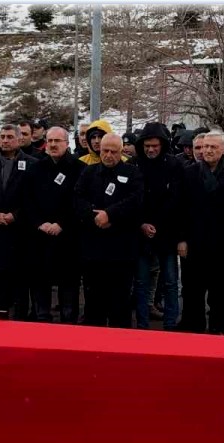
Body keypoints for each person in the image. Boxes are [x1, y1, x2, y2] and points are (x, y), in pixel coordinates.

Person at [179, 131, 224, 335]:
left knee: (221, 289)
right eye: (205, 146)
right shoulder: (189, 173)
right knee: (192, 289)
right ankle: (194, 325)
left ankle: (218, 325)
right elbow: (180, 208)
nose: (207, 150)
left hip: (223, 242)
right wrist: (181, 239)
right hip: (194, 241)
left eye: (213, 147)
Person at [74, 133, 143, 328]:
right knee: (93, 300)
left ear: (121, 152)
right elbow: (78, 198)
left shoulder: (132, 173)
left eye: (113, 151)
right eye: (105, 151)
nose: (109, 155)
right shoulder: (89, 172)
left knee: (120, 302)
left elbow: (135, 201)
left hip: (121, 250)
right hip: (93, 249)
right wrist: (94, 217)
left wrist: (111, 215)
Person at [24, 126, 85, 322]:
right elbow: (28, 200)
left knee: (68, 287)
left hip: (68, 238)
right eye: (49, 141)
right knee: (40, 284)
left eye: (57, 141)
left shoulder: (79, 168)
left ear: (67, 143)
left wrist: (61, 224)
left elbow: (78, 201)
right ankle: (42, 321)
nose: (52, 145)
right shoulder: (36, 168)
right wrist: (39, 223)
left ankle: (69, 325)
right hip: (40, 238)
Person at [0, 124, 38, 317]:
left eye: (10, 136)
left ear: (19, 139)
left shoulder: (32, 163)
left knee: (18, 280)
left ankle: (19, 318)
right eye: (2, 136)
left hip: (19, 232)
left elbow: (32, 196)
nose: (5, 140)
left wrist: (15, 214)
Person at [131, 122, 184, 330]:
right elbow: (133, 200)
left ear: (162, 145)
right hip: (142, 233)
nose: (151, 149)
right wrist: (142, 223)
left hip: (167, 232)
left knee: (171, 282)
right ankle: (143, 325)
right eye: (147, 146)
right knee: (142, 283)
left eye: (155, 145)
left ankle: (170, 325)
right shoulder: (135, 165)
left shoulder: (174, 165)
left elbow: (178, 200)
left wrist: (161, 225)